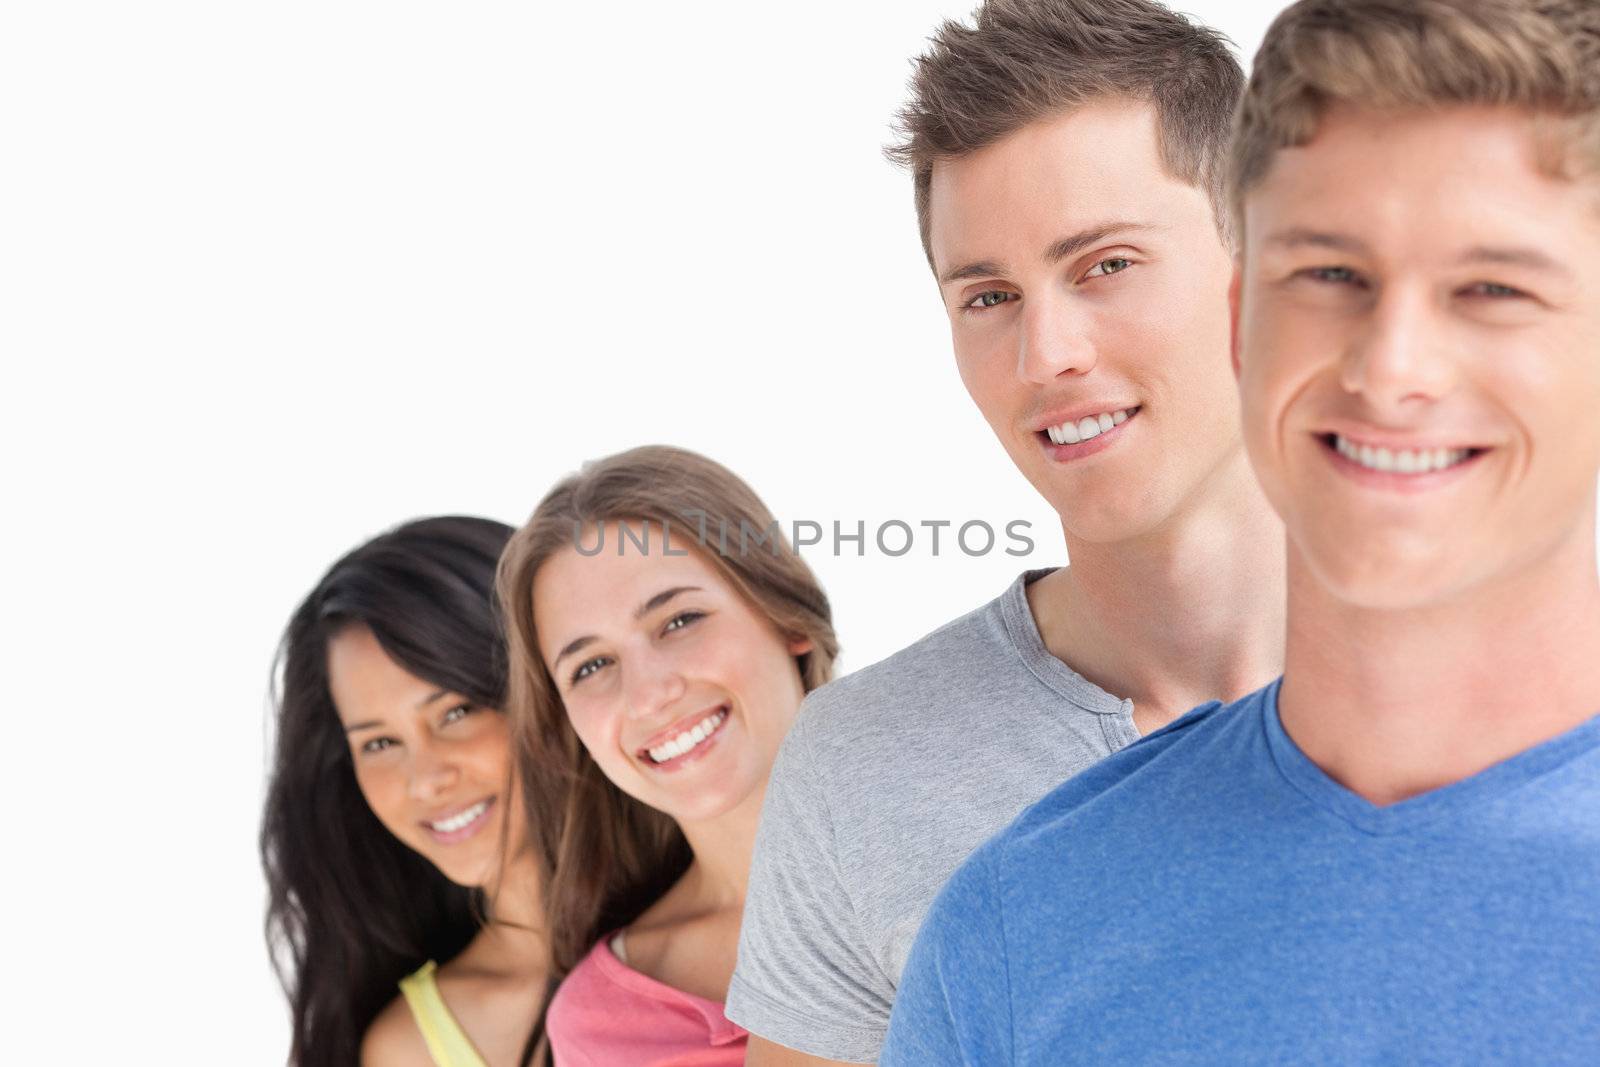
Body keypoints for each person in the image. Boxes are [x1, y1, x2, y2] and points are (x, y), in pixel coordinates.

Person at [883, 0, 1600, 1061]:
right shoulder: (1019, 923)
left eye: (1490, 286)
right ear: (1238, 320)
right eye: (1327, 275)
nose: (1389, 365)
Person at [729, 2, 1285, 1062]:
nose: (1043, 354)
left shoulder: (1527, 682)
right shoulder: (861, 767)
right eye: (987, 295)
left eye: (1105, 264)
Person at [497, 445, 841, 1065]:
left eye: (679, 621)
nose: (650, 695)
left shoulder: (981, 842)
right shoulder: (600, 1029)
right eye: (593, 665)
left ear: (786, 615)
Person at [261, 517, 551, 1067]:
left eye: (457, 712)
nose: (424, 779)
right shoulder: (406, 1047)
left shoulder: (737, 926)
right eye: (379, 744)